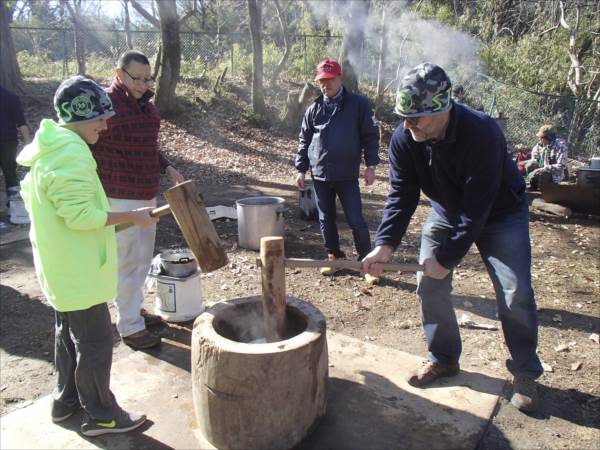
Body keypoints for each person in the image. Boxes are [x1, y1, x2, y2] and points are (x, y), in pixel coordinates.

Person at [362, 63, 543, 413]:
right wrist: (385, 244)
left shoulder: (483, 133)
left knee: (514, 291)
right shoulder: (405, 138)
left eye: (415, 118)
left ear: (442, 109)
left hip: (500, 213)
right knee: (427, 284)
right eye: (404, 116)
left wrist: (446, 260)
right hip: (446, 209)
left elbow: (477, 211)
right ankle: (443, 357)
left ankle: (525, 373)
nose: (407, 124)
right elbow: (401, 195)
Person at [17, 76, 157, 435]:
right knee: (95, 342)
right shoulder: (70, 153)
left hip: (61, 264)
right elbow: (81, 217)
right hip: (77, 270)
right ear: (77, 118)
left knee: (68, 335)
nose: (105, 125)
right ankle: (102, 415)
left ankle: (65, 404)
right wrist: (131, 216)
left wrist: (117, 221)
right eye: (98, 118)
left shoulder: (51, 147)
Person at [91, 50, 183, 350]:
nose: (144, 84)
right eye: (137, 78)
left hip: (146, 194)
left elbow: (148, 146)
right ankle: (130, 328)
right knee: (127, 262)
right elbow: (88, 143)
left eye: (147, 78)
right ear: (119, 74)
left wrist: (167, 166)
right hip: (119, 198)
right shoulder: (104, 105)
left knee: (142, 261)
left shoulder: (146, 106)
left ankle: (132, 310)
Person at [295, 59, 380, 284]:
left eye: (330, 79)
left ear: (340, 77)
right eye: (322, 80)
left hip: (347, 174)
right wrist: (301, 169)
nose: (325, 84)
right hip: (320, 174)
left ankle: (366, 261)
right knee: (326, 218)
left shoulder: (359, 104)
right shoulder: (314, 109)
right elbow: (304, 141)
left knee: (356, 219)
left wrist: (371, 166)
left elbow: (370, 136)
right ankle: (333, 256)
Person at [0, 85, 30, 203]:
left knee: (10, 173)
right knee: (10, 173)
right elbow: (21, 123)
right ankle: (14, 209)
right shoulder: (11, 96)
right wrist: (27, 144)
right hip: (8, 142)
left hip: (8, 140)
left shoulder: (11, 97)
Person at [527, 124, 568, 190]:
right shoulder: (543, 144)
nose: (539, 139)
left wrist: (544, 169)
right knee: (530, 165)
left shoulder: (560, 147)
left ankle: (549, 188)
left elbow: (561, 166)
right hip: (544, 168)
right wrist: (535, 158)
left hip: (555, 174)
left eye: (541, 137)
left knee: (536, 175)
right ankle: (534, 186)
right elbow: (534, 154)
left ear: (548, 137)